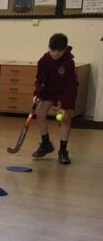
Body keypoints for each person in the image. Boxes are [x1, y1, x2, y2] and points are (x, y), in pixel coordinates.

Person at [31, 33, 78, 165]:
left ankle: (63, 151)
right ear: (49, 47)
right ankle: (46, 144)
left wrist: (65, 106)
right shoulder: (44, 60)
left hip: (65, 92)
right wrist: (37, 94)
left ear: (65, 49)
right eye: (53, 50)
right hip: (49, 91)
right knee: (40, 112)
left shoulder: (68, 62)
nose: (56, 53)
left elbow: (70, 86)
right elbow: (40, 79)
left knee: (65, 118)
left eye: (59, 51)